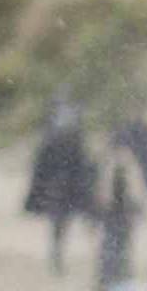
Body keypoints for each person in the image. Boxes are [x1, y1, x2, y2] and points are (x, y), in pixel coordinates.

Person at [25, 105, 97, 274]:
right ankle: (57, 257)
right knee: (60, 227)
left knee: (66, 226)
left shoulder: (73, 141)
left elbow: (84, 167)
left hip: (69, 190)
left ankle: (61, 257)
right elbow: (41, 170)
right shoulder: (57, 142)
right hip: (61, 191)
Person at [94, 159, 140, 291]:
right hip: (120, 227)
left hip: (114, 227)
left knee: (110, 261)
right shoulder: (130, 187)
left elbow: (101, 205)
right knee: (120, 261)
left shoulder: (108, 185)